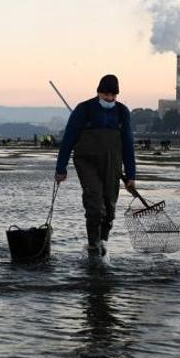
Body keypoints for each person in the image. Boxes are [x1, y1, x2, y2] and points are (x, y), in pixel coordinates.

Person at [55, 75, 136, 257]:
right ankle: (93, 244)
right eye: (106, 94)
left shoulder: (122, 112)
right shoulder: (84, 109)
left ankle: (102, 241)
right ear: (98, 92)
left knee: (109, 207)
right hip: (87, 162)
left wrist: (131, 175)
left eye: (113, 95)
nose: (109, 99)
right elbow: (68, 140)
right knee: (94, 204)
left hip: (112, 163)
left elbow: (128, 144)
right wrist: (61, 168)